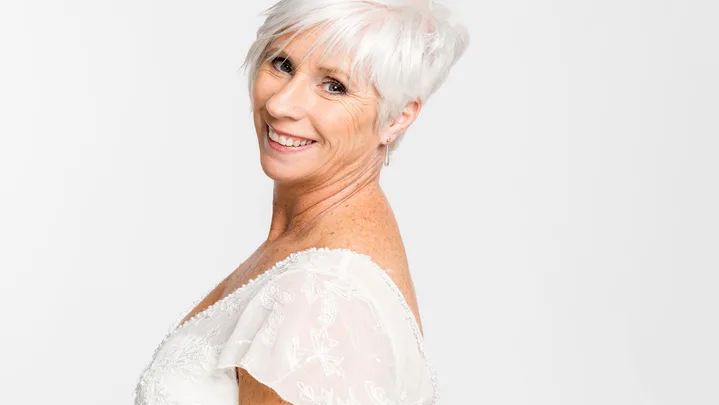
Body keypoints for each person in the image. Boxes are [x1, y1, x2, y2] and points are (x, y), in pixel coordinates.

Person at [133, 0, 468, 403]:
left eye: (334, 86)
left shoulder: (322, 293)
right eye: (282, 64)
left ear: (397, 118)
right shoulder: (309, 252)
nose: (280, 104)